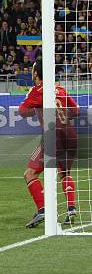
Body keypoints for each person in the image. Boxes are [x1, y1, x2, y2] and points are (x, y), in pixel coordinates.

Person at [18, 58, 79, 228]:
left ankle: (43, 209)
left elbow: (22, 111)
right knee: (64, 173)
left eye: (32, 70)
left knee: (29, 174)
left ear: (36, 73)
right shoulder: (59, 88)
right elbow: (76, 110)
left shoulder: (37, 90)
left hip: (52, 136)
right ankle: (71, 208)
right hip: (70, 134)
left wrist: (37, 109)